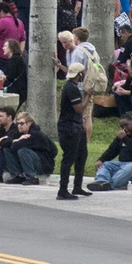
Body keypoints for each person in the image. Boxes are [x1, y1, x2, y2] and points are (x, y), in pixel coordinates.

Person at [88, 116, 132, 191]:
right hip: (122, 164)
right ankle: (101, 181)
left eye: (126, 125)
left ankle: (109, 185)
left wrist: (125, 138)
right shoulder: (122, 136)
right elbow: (112, 150)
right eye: (122, 127)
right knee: (105, 164)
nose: (124, 129)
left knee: (130, 167)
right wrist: (101, 160)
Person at [56, 62, 91, 200]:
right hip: (69, 128)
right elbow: (79, 108)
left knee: (82, 155)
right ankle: (62, 189)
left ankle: (77, 186)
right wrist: (88, 96)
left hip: (76, 125)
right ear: (79, 74)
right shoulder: (71, 88)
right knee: (69, 158)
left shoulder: (74, 87)